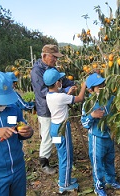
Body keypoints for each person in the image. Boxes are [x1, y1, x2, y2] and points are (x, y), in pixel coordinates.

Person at [31, 44, 74, 174]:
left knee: (54, 134)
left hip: (55, 109)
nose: (55, 60)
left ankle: (55, 155)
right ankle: (44, 162)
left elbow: (63, 80)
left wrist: (73, 84)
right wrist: (64, 91)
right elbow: (43, 91)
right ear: (44, 56)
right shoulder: (37, 71)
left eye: (56, 57)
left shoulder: (51, 68)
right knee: (47, 136)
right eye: (53, 57)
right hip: (45, 109)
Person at [43, 68, 86, 193]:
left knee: (62, 154)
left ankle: (64, 178)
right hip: (62, 129)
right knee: (66, 156)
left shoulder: (49, 95)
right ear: (57, 83)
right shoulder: (60, 96)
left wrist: (68, 93)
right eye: (60, 80)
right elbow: (80, 98)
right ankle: (64, 184)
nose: (61, 82)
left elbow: (61, 101)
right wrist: (84, 85)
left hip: (54, 129)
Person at [81, 73, 120, 196]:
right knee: (97, 162)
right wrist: (92, 116)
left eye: (103, 84)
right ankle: (98, 186)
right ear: (91, 90)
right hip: (96, 138)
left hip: (109, 135)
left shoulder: (111, 98)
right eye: (99, 86)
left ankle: (110, 180)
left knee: (110, 159)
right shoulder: (89, 103)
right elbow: (84, 123)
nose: (103, 87)